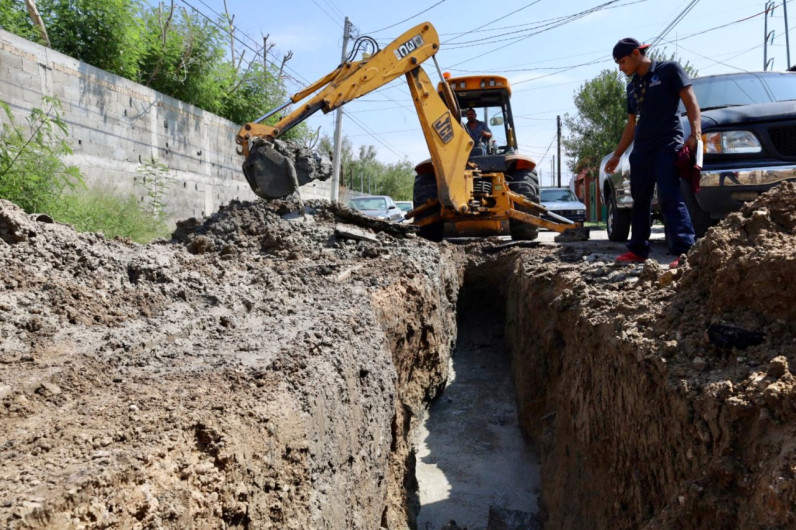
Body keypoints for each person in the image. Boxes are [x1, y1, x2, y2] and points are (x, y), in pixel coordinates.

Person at [604, 38, 701, 268]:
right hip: (642, 151)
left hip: (668, 144)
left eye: (623, 61)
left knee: (669, 196)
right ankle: (638, 250)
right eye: (618, 63)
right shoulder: (632, 87)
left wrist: (695, 134)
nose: (620, 68)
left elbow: (691, 101)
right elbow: (631, 125)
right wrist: (617, 155)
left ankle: (684, 251)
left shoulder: (669, 70)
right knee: (639, 200)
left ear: (636, 53)